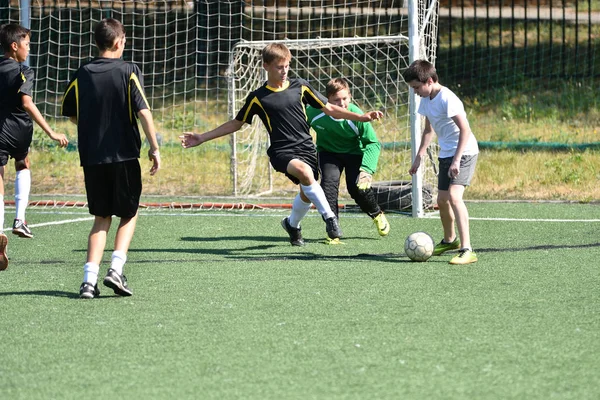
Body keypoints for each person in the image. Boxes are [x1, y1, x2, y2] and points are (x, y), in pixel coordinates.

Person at [180, 43, 383, 246]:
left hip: (306, 149)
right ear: (266, 66)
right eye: (279, 67)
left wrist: (360, 117)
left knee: (306, 190)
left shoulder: (301, 86)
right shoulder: (258, 98)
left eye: (287, 66)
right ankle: (330, 218)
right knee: (304, 172)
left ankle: (292, 224)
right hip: (281, 151)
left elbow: (329, 108)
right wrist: (202, 137)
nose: (284, 71)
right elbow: (236, 123)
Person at [61, 18, 161, 298]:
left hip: (93, 157)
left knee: (101, 217)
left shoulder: (83, 72)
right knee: (129, 213)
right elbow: (143, 111)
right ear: (119, 42)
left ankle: (88, 282)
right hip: (124, 155)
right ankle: (116, 270)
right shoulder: (128, 70)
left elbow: (70, 110)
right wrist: (154, 148)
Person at [0, 23, 69, 270]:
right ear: (14, 46)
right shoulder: (23, 70)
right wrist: (51, 131)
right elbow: (27, 103)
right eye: (27, 44)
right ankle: (19, 220)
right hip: (20, 129)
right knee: (23, 163)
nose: (29, 49)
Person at [402, 60, 479, 265]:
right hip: (446, 154)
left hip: (464, 152)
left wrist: (456, 160)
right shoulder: (426, 100)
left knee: (454, 197)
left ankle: (467, 249)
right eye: (412, 88)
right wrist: (419, 156)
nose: (415, 92)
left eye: (417, 87)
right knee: (442, 200)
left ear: (429, 81)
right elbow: (429, 130)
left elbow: (465, 130)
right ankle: (449, 240)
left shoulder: (447, 98)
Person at [306, 77, 390, 243]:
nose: (341, 103)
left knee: (357, 188)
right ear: (326, 100)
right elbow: (301, 128)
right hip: (328, 153)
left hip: (354, 154)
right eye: (336, 100)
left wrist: (367, 169)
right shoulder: (314, 113)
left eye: (344, 99)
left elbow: (372, 143)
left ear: (350, 97)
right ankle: (333, 229)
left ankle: (377, 214)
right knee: (328, 187)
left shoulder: (357, 115)